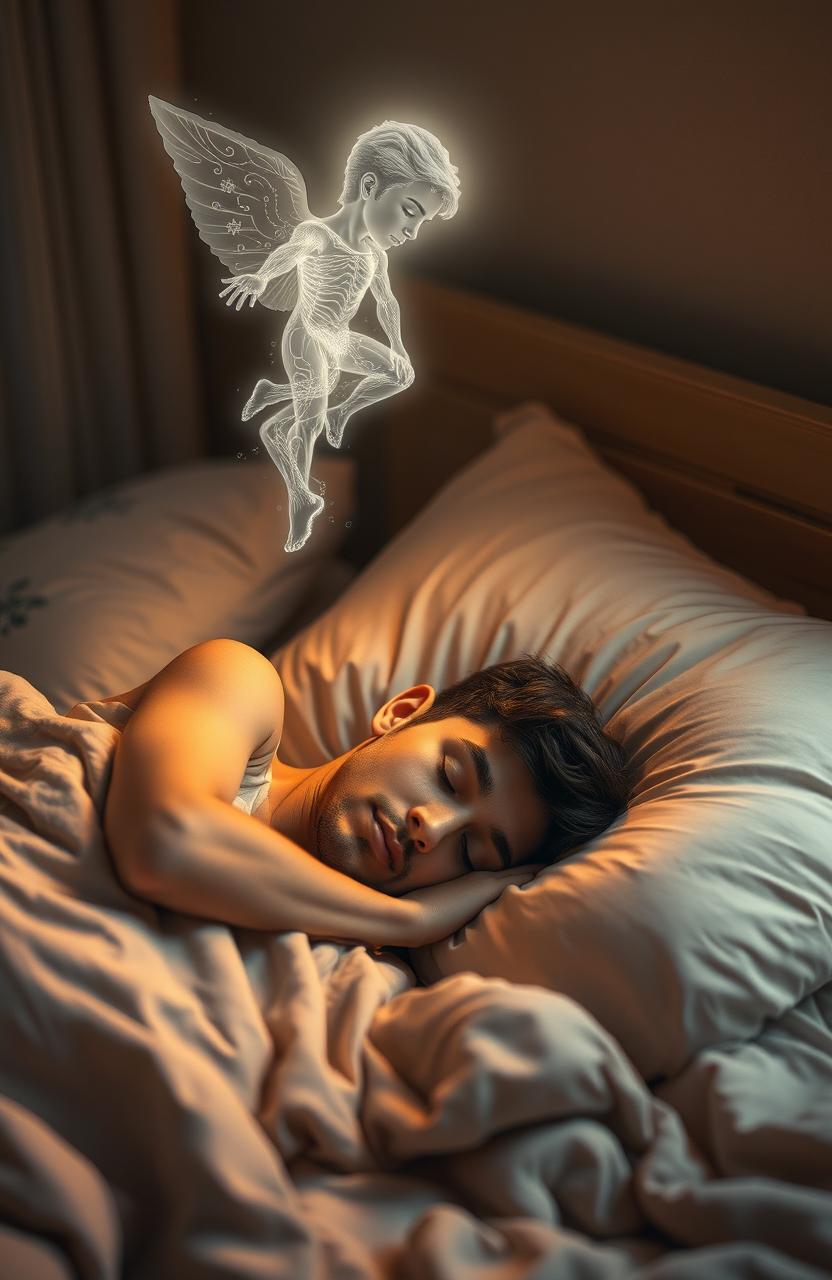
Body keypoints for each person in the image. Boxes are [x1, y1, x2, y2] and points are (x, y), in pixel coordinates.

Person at [102, 639, 631, 951]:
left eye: (473, 853)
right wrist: (407, 922)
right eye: (450, 774)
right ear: (402, 713)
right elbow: (164, 840)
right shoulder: (239, 679)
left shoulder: (350, 960)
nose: (434, 828)